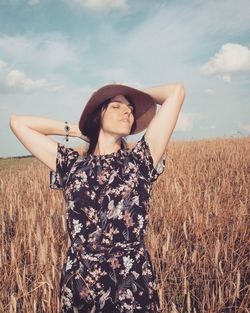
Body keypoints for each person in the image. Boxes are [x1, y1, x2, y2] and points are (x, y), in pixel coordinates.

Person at [9, 82, 185, 312]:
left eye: (131, 108)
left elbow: (176, 92)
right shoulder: (72, 165)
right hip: (82, 284)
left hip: (132, 284)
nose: (127, 111)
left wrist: (136, 96)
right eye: (116, 106)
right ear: (98, 115)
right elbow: (18, 123)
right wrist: (78, 129)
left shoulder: (140, 161)